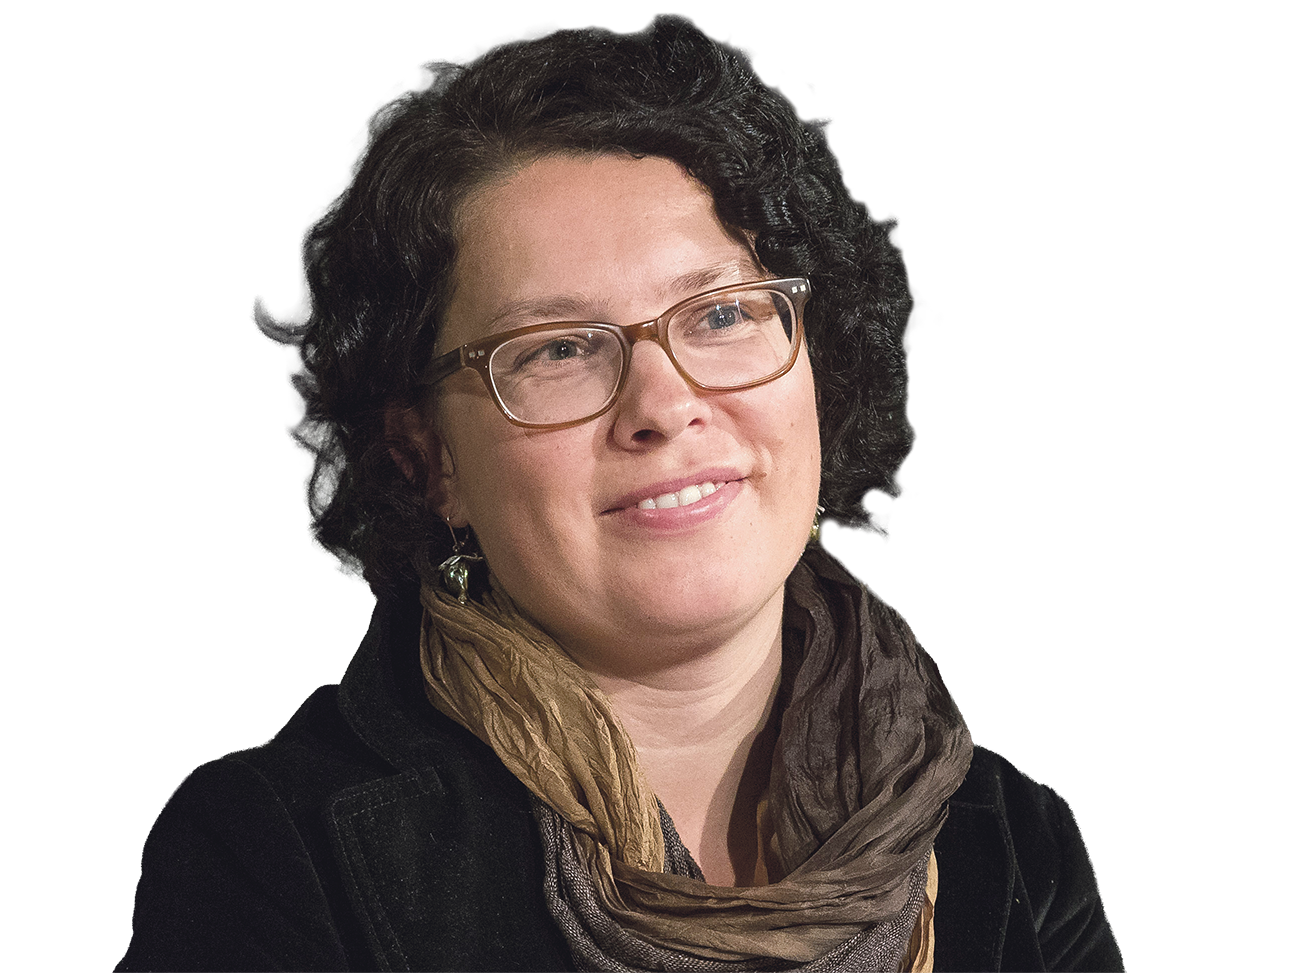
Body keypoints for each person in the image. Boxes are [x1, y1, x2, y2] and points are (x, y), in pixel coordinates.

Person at [118, 16, 1122, 973]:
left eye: (721, 313)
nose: (663, 405)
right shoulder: (272, 857)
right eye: (557, 349)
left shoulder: (1010, 842)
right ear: (429, 460)